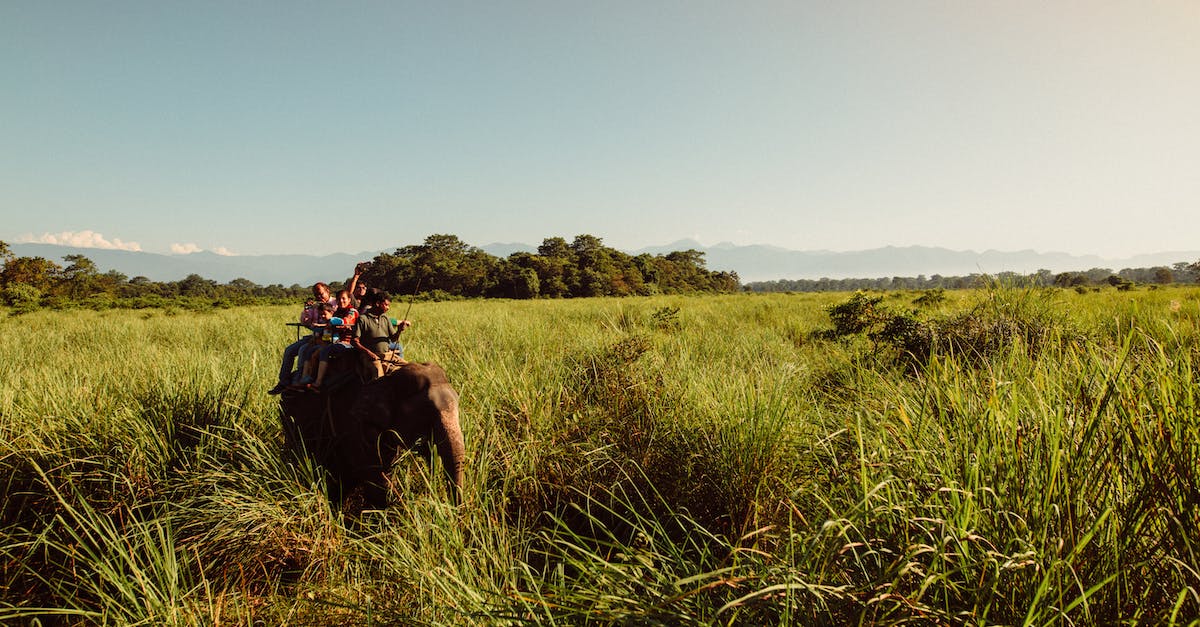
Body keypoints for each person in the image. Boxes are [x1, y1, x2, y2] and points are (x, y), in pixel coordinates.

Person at [268, 282, 336, 394]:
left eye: (321, 294)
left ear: (327, 291)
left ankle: (299, 380)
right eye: (316, 295)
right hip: (314, 336)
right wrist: (307, 310)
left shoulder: (335, 303)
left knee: (303, 349)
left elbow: (335, 321)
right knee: (289, 350)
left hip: (327, 337)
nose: (318, 297)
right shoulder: (315, 306)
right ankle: (283, 381)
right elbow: (306, 322)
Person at [305, 289, 360, 392]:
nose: (341, 301)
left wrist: (331, 321)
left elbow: (346, 321)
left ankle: (318, 382)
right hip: (336, 341)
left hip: (349, 342)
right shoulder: (338, 312)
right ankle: (307, 377)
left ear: (349, 300)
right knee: (312, 349)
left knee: (325, 351)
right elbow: (329, 329)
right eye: (339, 299)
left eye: (344, 298)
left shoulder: (352, 312)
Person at [352, 291, 411, 380]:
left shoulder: (385, 318)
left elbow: (393, 339)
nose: (388, 308)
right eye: (386, 305)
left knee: (409, 368)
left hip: (387, 355)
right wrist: (369, 353)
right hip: (370, 357)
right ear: (378, 304)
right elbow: (354, 341)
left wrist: (399, 330)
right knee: (379, 375)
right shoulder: (363, 319)